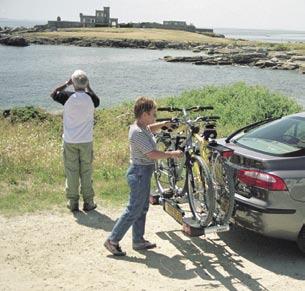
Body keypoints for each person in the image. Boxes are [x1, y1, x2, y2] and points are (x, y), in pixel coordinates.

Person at [104, 96, 183, 256]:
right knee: (133, 209)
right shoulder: (137, 132)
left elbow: (151, 128)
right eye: (153, 114)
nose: (155, 117)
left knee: (142, 208)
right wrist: (172, 154)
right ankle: (112, 240)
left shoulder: (142, 127)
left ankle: (138, 241)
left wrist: (164, 124)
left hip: (143, 173)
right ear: (145, 114)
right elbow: (152, 154)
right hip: (139, 173)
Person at [50, 70, 100, 212]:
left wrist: (66, 84)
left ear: (73, 83)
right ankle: (89, 202)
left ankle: (73, 202)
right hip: (86, 140)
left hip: (70, 140)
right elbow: (97, 100)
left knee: (71, 171)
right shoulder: (91, 99)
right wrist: (89, 87)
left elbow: (53, 94)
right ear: (86, 83)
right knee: (86, 171)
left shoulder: (67, 97)